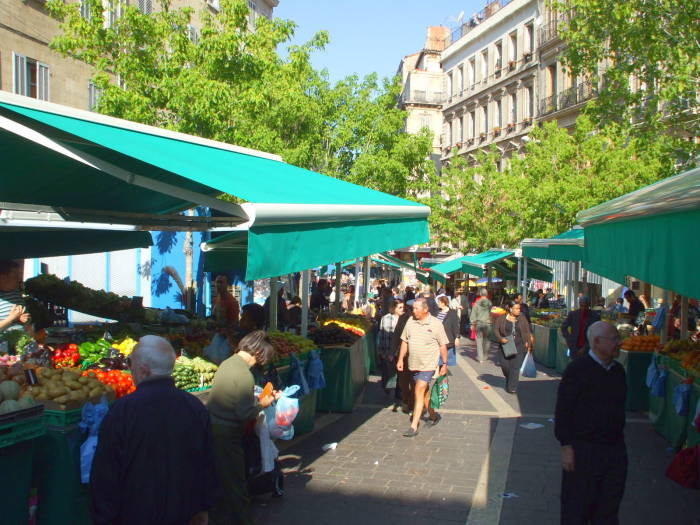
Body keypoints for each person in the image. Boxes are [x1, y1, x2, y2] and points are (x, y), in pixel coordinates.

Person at [90, 336, 216, 525]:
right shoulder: (195, 407)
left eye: (131, 363)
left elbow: (106, 475)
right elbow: (208, 464)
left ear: (143, 369)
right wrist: (204, 506)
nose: (130, 368)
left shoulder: (122, 411)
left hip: (135, 514)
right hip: (185, 512)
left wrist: (105, 518)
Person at [555, 321, 627, 525]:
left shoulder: (618, 371)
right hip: (583, 450)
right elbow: (563, 410)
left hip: (614, 451)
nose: (618, 343)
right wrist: (566, 445)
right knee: (577, 507)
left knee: (608, 507)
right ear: (597, 342)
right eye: (614, 339)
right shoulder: (578, 369)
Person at [208, 331, 277, 525]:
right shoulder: (245, 375)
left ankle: (218, 517)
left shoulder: (227, 363)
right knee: (235, 482)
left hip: (213, 426)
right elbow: (243, 414)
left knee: (220, 480)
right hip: (227, 434)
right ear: (259, 353)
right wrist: (263, 403)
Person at [397, 297, 449, 437]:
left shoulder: (436, 324)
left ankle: (414, 426)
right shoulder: (410, 321)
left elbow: (443, 345)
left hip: (428, 364)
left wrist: (444, 364)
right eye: (413, 308)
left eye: (416, 308)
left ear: (425, 309)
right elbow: (404, 341)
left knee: (418, 390)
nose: (413, 311)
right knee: (424, 394)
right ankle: (433, 415)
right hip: (414, 364)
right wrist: (401, 359)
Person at [493, 301, 532, 394]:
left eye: (519, 309)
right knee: (505, 366)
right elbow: (495, 330)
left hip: (519, 345)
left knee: (515, 367)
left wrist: (528, 342)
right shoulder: (502, 318)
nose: (519, 310)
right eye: (516, 308)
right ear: (510, 309)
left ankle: (512, 387)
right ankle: (509, 378)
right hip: (506, 345)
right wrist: (501, 339)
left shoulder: (522, 318)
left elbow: (527, 331)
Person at [377, 299, 404, 403]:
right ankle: (387, 387)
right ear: (393, 308)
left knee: (400, 373)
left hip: (401, 350)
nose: (402, 309)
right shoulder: (387, 318)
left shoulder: (404, 318)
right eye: (400, 307)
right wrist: (385, 353)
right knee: (388, 372)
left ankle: (398, 391)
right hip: (389, 350)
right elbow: (385, 336)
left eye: (403, 307)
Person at [390, 304, 413, 413]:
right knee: (403, 382)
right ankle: (406, 400)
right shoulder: (403, 318)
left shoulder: (426, 320)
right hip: (404, 354)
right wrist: (391, 352)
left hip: (418, 356)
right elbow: (396, 335)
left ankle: (412, 403)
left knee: (415, 382)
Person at [0, 259, 31, 333]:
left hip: (22, 340)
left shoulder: (16, 293)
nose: (19, 280)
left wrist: (26, 319)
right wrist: (12, 318)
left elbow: (27, 318)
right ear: (2, 278)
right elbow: (13, 317)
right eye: (15, 277)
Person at [470, 288, 493, 363]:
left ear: (480, 294)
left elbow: (473, 315)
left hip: (479, 324)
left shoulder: (476, 303)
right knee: (487, 340)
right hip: (488, 323)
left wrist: (472, 324)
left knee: (479, 340)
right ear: (486, 294)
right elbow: (491, 313)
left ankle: (480, 358)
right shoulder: (490, 303)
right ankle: (485, 355)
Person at [437, 295, 460, 366]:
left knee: (445, 361)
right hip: (438, 339)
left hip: (448, 339)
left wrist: (457, 337)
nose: (438, 304)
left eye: (439, 302)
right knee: (438, 361)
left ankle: (443, 374)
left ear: (443, 303)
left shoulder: (452, 313)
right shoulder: (437, 312)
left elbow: (456, 326)